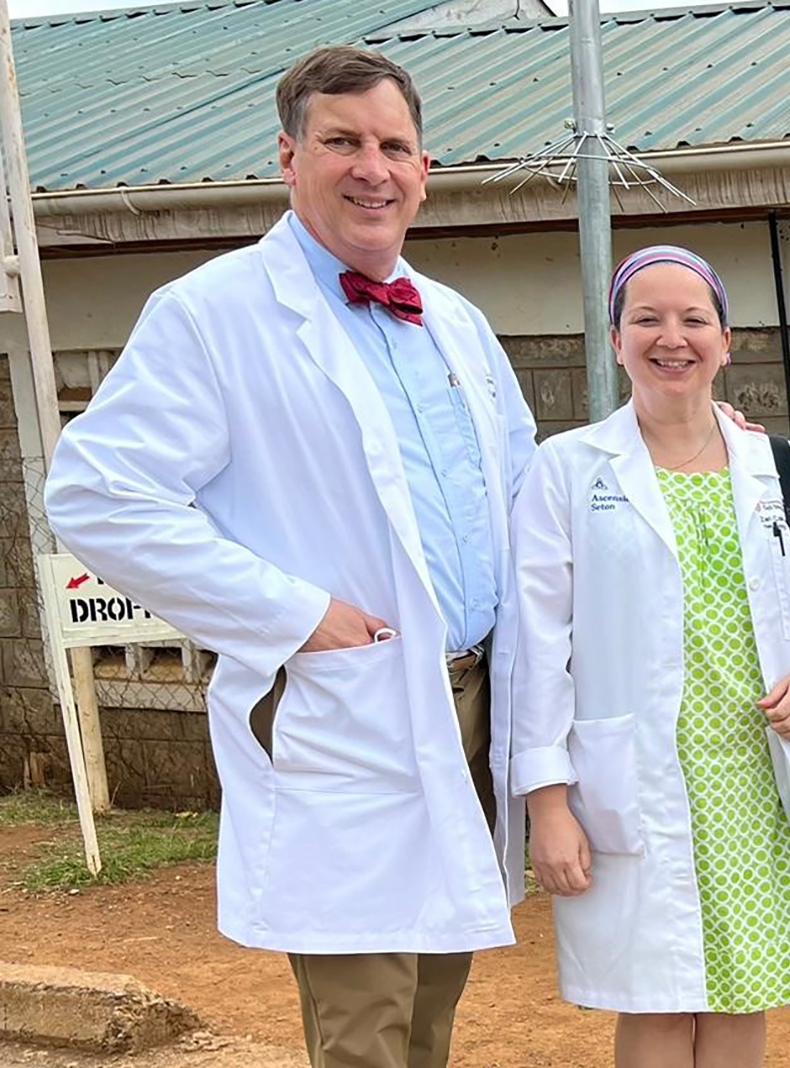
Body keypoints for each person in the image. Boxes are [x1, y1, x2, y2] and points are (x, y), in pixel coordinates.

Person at [43, 47, 538, 1068]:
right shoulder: (212, 316)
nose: (373, 168)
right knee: (366, 1024)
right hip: (341, 703)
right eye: (342, 142)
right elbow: (94, 492)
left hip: (473, 701)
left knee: (437, 991)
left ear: (424, 167)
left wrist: (684, 441)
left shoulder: (455, 322)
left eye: (394, 145)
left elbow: (530, 494)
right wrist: (290, 612)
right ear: (289, 157)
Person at [508, 246, 790, 1068]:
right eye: (648, 319)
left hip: (755, 782)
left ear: (726, 339)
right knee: (658, 1005)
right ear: (615, 338)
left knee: (744, 996)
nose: (673, 338)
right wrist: (548, 803)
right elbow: (538, 645)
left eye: (693, 319)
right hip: (631, 778)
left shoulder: (783, 468)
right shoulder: (568, 470)